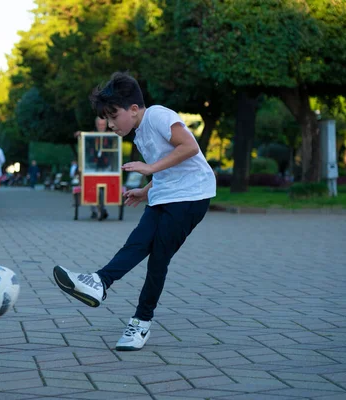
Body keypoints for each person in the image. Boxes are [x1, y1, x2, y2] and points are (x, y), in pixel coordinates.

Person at [53, 72, 216, 351]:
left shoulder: (158, 116)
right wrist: (146, 190)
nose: (110, 123)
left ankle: (141, 322)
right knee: (138, 241)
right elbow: (169, 165)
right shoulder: (139, 133)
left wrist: (150, 169)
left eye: (114, 116)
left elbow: (189, 147)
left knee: (158, 259)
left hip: (192, 195)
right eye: (106, 117)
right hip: (165, 193)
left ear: (134, 109)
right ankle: (99, 282)